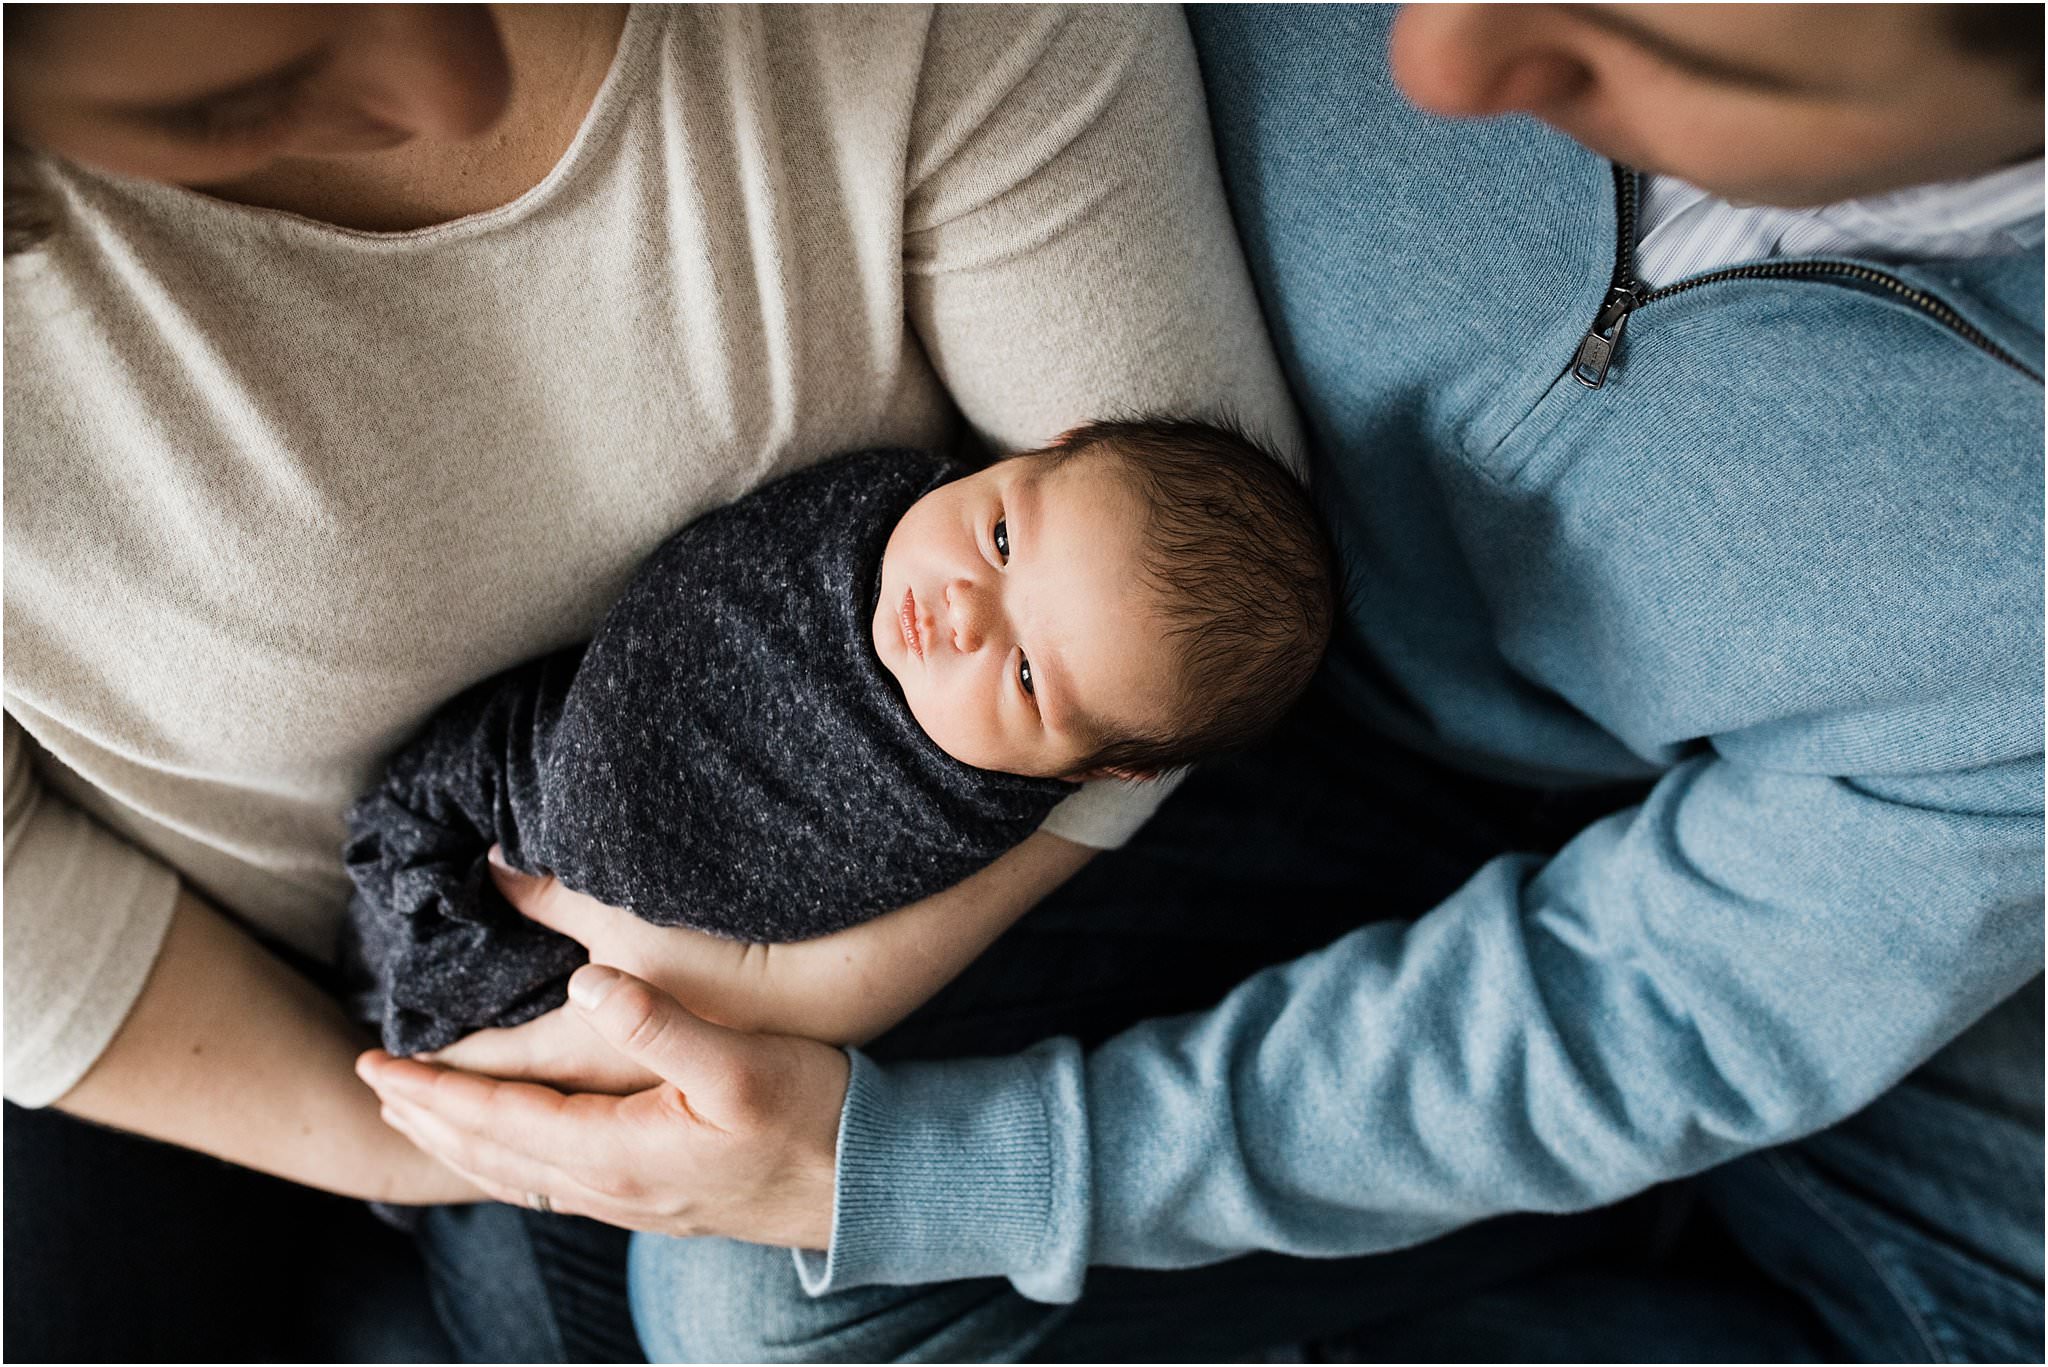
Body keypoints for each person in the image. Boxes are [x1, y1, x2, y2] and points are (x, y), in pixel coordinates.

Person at [359, 4, 2045, 1362]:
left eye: (1636, 44)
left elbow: (1650, 1008)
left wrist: (899, 1163)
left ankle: (1506, 1204)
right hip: (1170, 762)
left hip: (1652, 876)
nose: (1430, 62)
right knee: (696, 1301)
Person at [1, 5, 1305, 1359]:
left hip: (708, 980)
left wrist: (779, 988)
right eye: (234, 102)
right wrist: (431, 1136)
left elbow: (1169, 598)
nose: (456, 91)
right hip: (250, 1001)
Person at [346, 425, 1330, 1061]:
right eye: (997, 538)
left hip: (578, 958)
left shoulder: (954, 806)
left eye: (1027, 674)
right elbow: (692, 611)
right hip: (500, 792)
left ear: (1100, 772)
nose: (961, 611)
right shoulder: (855, 516)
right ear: (1034, 449)